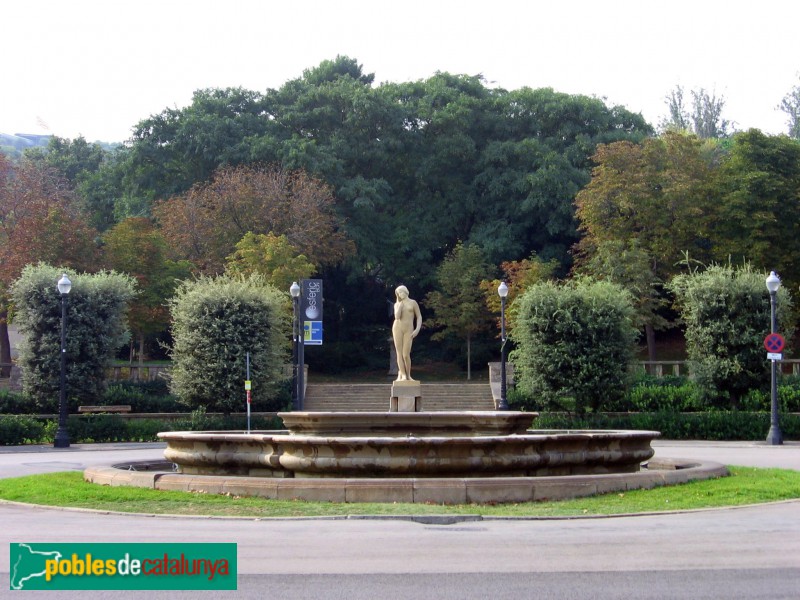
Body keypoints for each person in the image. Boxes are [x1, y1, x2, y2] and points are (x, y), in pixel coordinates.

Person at [392, 285, 422, 381]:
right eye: (399, 293)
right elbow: (397, 317)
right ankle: (403, 374)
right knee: (399, 353)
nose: (401, 294)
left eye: (402, 292)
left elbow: (419, 317)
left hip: (408, 329)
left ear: (406, 291)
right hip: (397, 328)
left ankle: (408, 375)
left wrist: (417, 329)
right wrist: (400, 306)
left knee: (406, 354)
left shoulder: (413, 303)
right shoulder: (397, 304)